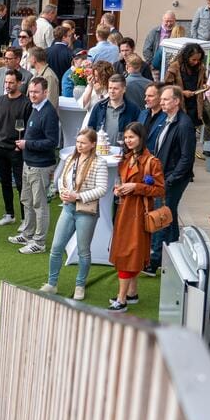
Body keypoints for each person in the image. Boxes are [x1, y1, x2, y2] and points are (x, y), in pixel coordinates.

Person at [41, 129, 109, 300]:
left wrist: (77, 196)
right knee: (56, 247)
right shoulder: (71, 158)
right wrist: (63, 192)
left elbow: (102, 189)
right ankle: (52, 283)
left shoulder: (99, 163)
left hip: (86, 211)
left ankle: (80, 285)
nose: (79, 145)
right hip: (68, 207)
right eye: (78, 142)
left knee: (83, 251)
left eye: (83, 143)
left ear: (93, 144)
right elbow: (61, 179)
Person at [108, 122, 165, 311]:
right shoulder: (126, 158)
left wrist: (136, 187)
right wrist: (119, 189)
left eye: (131, 137)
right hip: (124, 210)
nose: (128, 140)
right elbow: (122, 181)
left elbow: (160, 190)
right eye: (126, 137)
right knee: (130, 252)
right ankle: (132, 293)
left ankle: (122, 299)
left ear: (141, 138)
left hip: (138, 213)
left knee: (128, 253)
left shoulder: (152, 161)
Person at [145, 85, 197, 276]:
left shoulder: (184, 124)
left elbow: (187, 158)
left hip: (173, 178)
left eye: (166, 99)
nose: (162, 102)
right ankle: (175, 255)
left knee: (162, 215)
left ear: (176, 101)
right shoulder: (166, 119)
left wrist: (171, 179)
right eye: (162, 99)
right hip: (163, 175)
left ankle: (155, 260)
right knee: (169, 214)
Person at [10, 76, 60, 254]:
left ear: (45, 92)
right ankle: (27, 233)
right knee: (27, 200)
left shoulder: (49, 113)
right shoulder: (35, 108)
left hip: (40, 166)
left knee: (39, 205)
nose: (32, 95)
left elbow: (52, 142)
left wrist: (27, 144)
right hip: (29, 162)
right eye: (30, 91)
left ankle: (39, 242)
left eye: (36, 92)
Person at [0, 70, 28, 219]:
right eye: (6, 82)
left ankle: (25, 218)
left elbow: (29, 128)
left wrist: (20, 146)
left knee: (21, 185)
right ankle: (9, 214)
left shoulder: (26, 103)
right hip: (0, 149)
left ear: (19, 83)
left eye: (11, 82)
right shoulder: (0, 101)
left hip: (17, 150)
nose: (7, 85)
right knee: (5, 183)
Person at [84, 74, 143, 146]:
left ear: (124, 89)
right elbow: (90, 130)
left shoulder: (133, 109)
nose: (112, 91)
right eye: (110, 88)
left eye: (115, 88)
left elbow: (138, 134)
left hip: (123, 151)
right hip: (100, 150)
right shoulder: (99, 107)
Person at [163, 43, 209, 127]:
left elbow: (203, 81)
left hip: (195, 105)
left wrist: (204, 86)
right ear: (186, 57)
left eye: (198, 60)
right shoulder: (175, 67)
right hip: (179, 105)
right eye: (193, 59)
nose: (196, 62)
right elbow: (166, 87)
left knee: (192, 127)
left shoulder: (200, 67)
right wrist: (182, 92)